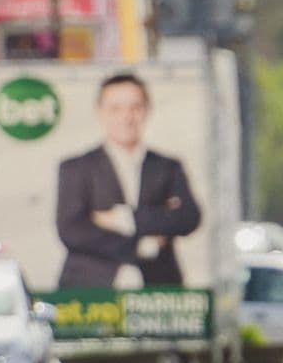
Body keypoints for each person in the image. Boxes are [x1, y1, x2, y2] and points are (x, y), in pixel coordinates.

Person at [55, 72, 202, 289]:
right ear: (100, 112)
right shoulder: (77, 168)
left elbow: (188, 217)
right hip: (91, 290)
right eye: (115, 108)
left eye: (134, 107)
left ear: (146, 110)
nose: (126, 117)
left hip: (158, 288)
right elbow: (72, 229)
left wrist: (125, 218)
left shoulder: (167, 167)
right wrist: (140, 245)